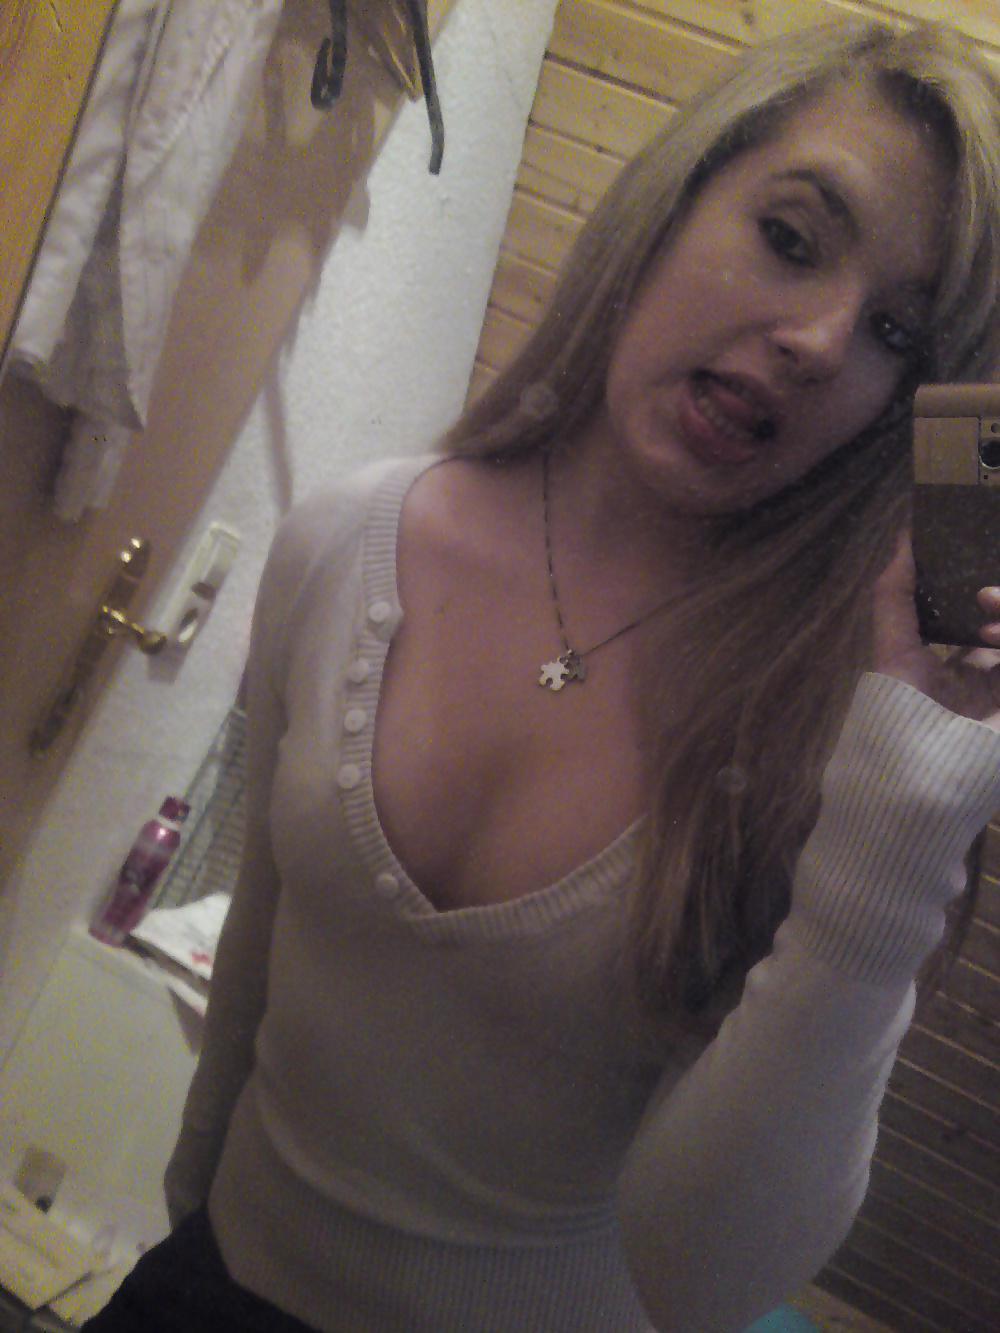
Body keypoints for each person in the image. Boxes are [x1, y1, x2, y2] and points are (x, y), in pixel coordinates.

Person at [84, 15, 1000, 1333]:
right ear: (669, 207)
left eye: (899, 334)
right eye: (792, 238)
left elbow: (709, 1280)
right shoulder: (348, 539)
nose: (818, 338)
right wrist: (190, 1221)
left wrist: (906, 822)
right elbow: (257, 968)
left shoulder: (844, 741)